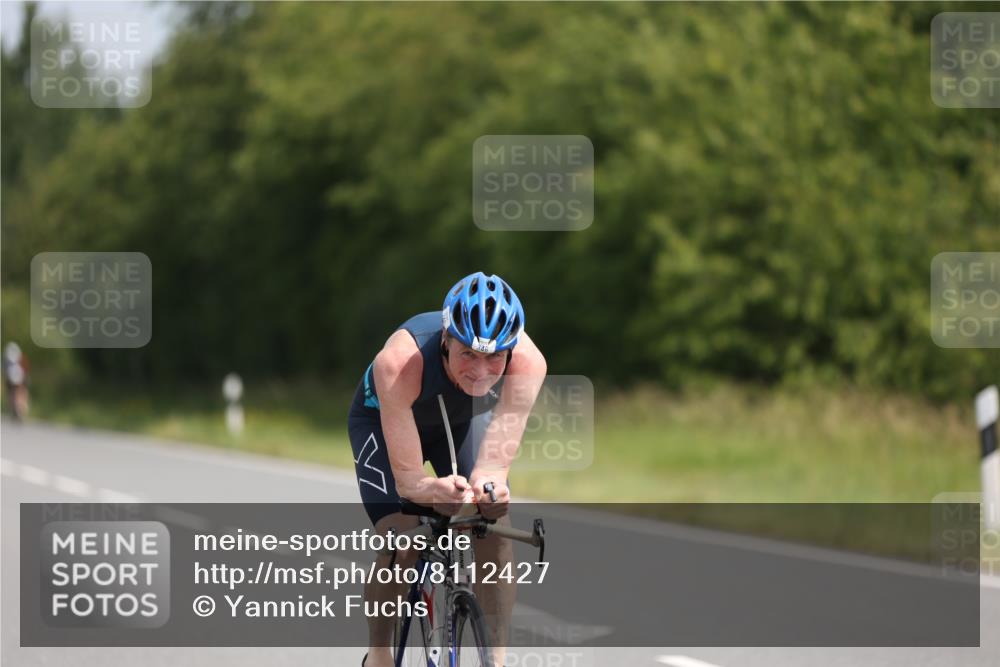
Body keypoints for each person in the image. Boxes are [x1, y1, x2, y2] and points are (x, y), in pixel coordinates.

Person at [348, 271, 547, 667]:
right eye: (468, 354)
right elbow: (410, 481)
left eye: (494, 357)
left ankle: (497, 659)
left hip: (455, 423)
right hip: (382, 421)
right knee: (402, 538)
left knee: (492, 521)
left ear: (510, 351)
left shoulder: (528, 363)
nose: (481, 369)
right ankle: (381, 654)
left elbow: (492, 466)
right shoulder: (401, 362)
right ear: (445, 340)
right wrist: (430, 491)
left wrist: (489, 489)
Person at [3, 342, 30, 421]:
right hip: (14, 380)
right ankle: (18, 410)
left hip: (18, 379)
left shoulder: (17, 361)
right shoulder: (10, 362)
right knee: (15, 394)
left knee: (19, 394)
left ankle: (19, 410)